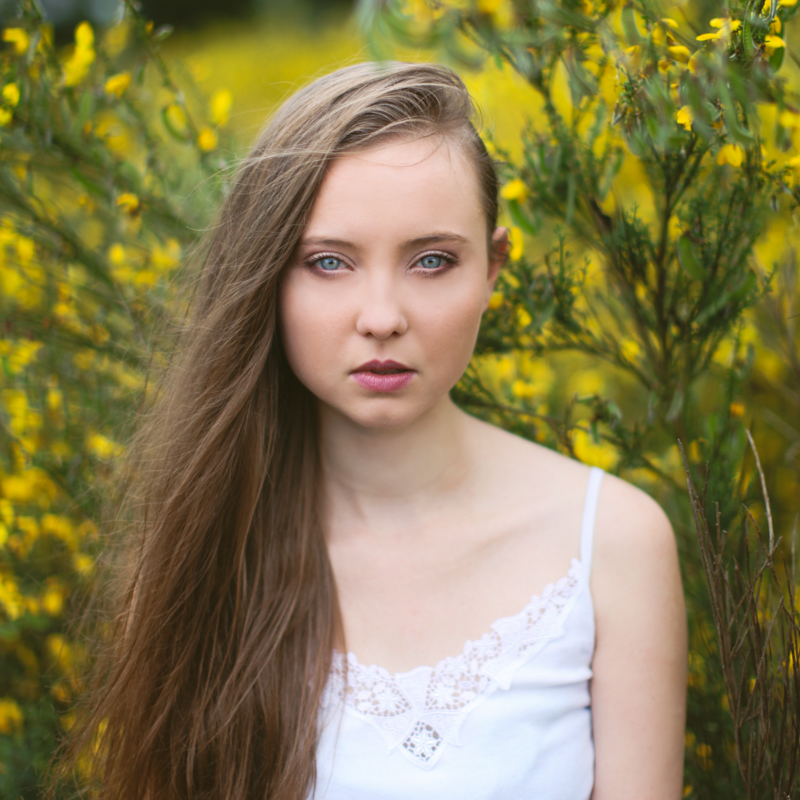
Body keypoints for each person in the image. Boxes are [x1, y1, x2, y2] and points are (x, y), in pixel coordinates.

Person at [52, 62, 687, 800]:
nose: (382, 316)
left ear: (493, 269)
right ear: (266, 276)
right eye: (329, 262)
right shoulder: (207, 541)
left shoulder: (612, 542)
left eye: (431, 261)